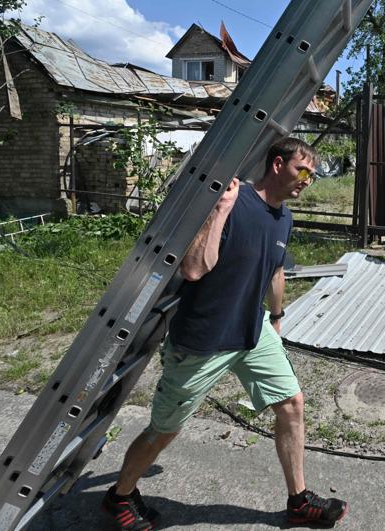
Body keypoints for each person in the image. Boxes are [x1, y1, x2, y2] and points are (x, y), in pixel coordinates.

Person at [102, 137, 348, 529]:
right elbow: (195, 269)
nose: (307, 181)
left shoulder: (283, 217)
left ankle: (298, 500)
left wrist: (277, 317)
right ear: (278, 164)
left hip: (253, 330)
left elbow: (275, 270)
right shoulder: (235, 200)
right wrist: (219, 211)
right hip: (205, 340)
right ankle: (120, 496)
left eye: (313, 177)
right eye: (303, 171)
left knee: (292, 404)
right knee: (165, 430)